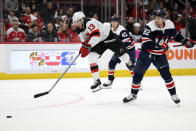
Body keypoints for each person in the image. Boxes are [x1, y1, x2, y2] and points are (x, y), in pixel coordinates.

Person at [123, 9, 194, 104]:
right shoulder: (149, 27)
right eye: (155, 17)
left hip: (160, 55)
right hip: (146, 54)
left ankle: (173, 94)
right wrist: (160, 46)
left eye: (159, 18)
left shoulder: (169, 24)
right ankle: (133, 94)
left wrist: (185, 41)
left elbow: (176, 35)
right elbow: (145, 44)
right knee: (137, 75)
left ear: (164, 19)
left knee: (167, 75)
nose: (156, 20)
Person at [72, 11, 134, 92]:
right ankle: (97, 81)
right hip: (100, 41)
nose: (77, 24)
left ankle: (134, 73)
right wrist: (85, 46)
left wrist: (87, 46)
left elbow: (95, 36)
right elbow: (85, 40)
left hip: (108, 37)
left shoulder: (89, 22)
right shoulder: (78, 30)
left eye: (78, 21)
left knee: (124, 57)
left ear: (83, 19)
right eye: (75, 22)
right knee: (91, 57)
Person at [103, 16, 135, 88]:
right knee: (111, 63)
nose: (113, 23)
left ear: (118, 22)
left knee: (130, 65)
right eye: (112, 21)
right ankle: (110, 81)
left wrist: (121, 51)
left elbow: (127, 43)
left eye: (115, 22)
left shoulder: (122, 30)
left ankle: (137, 82)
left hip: (129, 49)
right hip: (119, 49)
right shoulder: (110, 29)